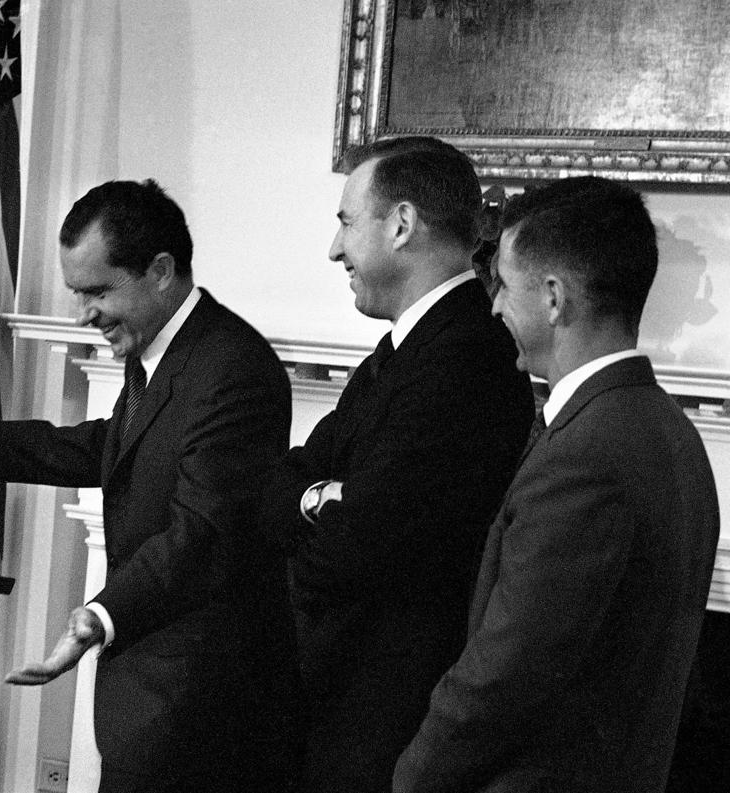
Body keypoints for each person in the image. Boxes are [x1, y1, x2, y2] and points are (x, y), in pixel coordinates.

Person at [0, 179, 297, 792]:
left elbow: (201, 531)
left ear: (161, 270)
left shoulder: (230, 369)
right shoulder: (168, 351)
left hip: (197, 703)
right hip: (155, 693)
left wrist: (97, 616)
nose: (83, 313)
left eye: (96, 291)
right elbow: (119, 450)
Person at [394, 176, 720, 792]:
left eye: (505, 288)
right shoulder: (669, 430)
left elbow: (507, 672)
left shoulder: (588, 455)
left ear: (552, 297)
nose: (494, 307)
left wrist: (413, 775)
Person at [258, 136, 535, 792]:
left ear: (402, 224)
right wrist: (320, 495)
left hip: (387, 727)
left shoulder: (470, 356)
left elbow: (355, 547)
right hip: (344, 709)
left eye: (346, 223)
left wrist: (317, 500)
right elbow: (276, 485)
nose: (334, 249)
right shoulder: (404, 349)